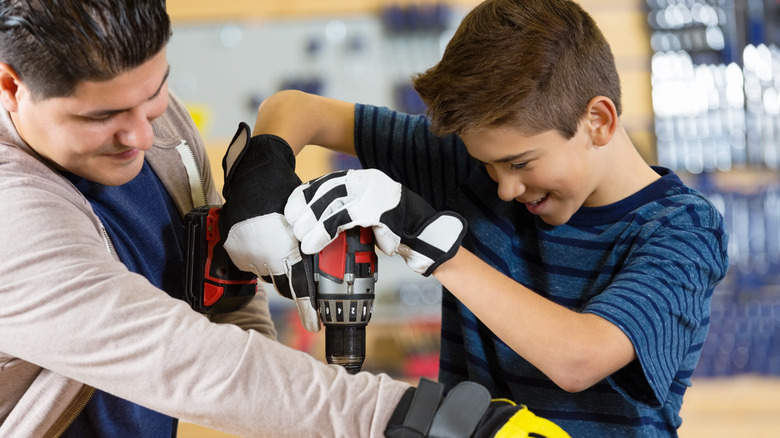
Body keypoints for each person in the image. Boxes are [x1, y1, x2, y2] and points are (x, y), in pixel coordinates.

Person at [0, 1, 570, 437]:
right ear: (11, 86)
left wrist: (259, 179)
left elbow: (223, 303)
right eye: (105, 117)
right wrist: (428, 420)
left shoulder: (154, 122)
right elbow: (184, 360)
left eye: (154, 93)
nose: (145, 134)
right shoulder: (12, 214)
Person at [251, 0, 730, 436]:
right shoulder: (468, 168)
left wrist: (431, 244)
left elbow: (579, 358)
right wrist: (264, 176)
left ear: (598, 122)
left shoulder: (682, 230)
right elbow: (295, 108)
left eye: (521, 163)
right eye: (488, 164)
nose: (504, 187)